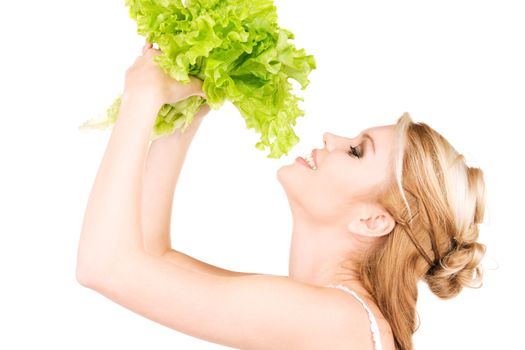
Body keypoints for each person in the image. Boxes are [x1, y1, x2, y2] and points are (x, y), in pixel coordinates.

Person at [76, 42, 487, 350]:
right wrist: (191, 109)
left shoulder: (338, 321)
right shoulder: (335, 314)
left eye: (357, 150)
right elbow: (150, 254)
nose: (332, 137)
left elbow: (103, 266)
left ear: (372, 220)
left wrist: (141, 98)